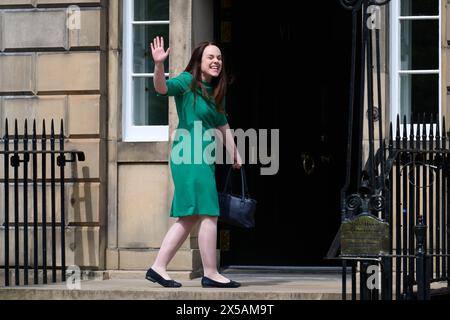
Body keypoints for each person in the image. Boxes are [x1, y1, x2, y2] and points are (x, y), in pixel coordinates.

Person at [145, 36, 243, 288]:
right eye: (210, 57)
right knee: (209, 212)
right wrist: (158, 65)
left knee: (189, 217)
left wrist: (234, 153)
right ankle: (211, 272)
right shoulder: (187, 82)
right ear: (199, 62)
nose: (216, 61)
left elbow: (222, 123)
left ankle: (158, 267)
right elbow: (161, 88)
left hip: (204, 157)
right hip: (188, 155)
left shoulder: (217, 90)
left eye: (219, 57)